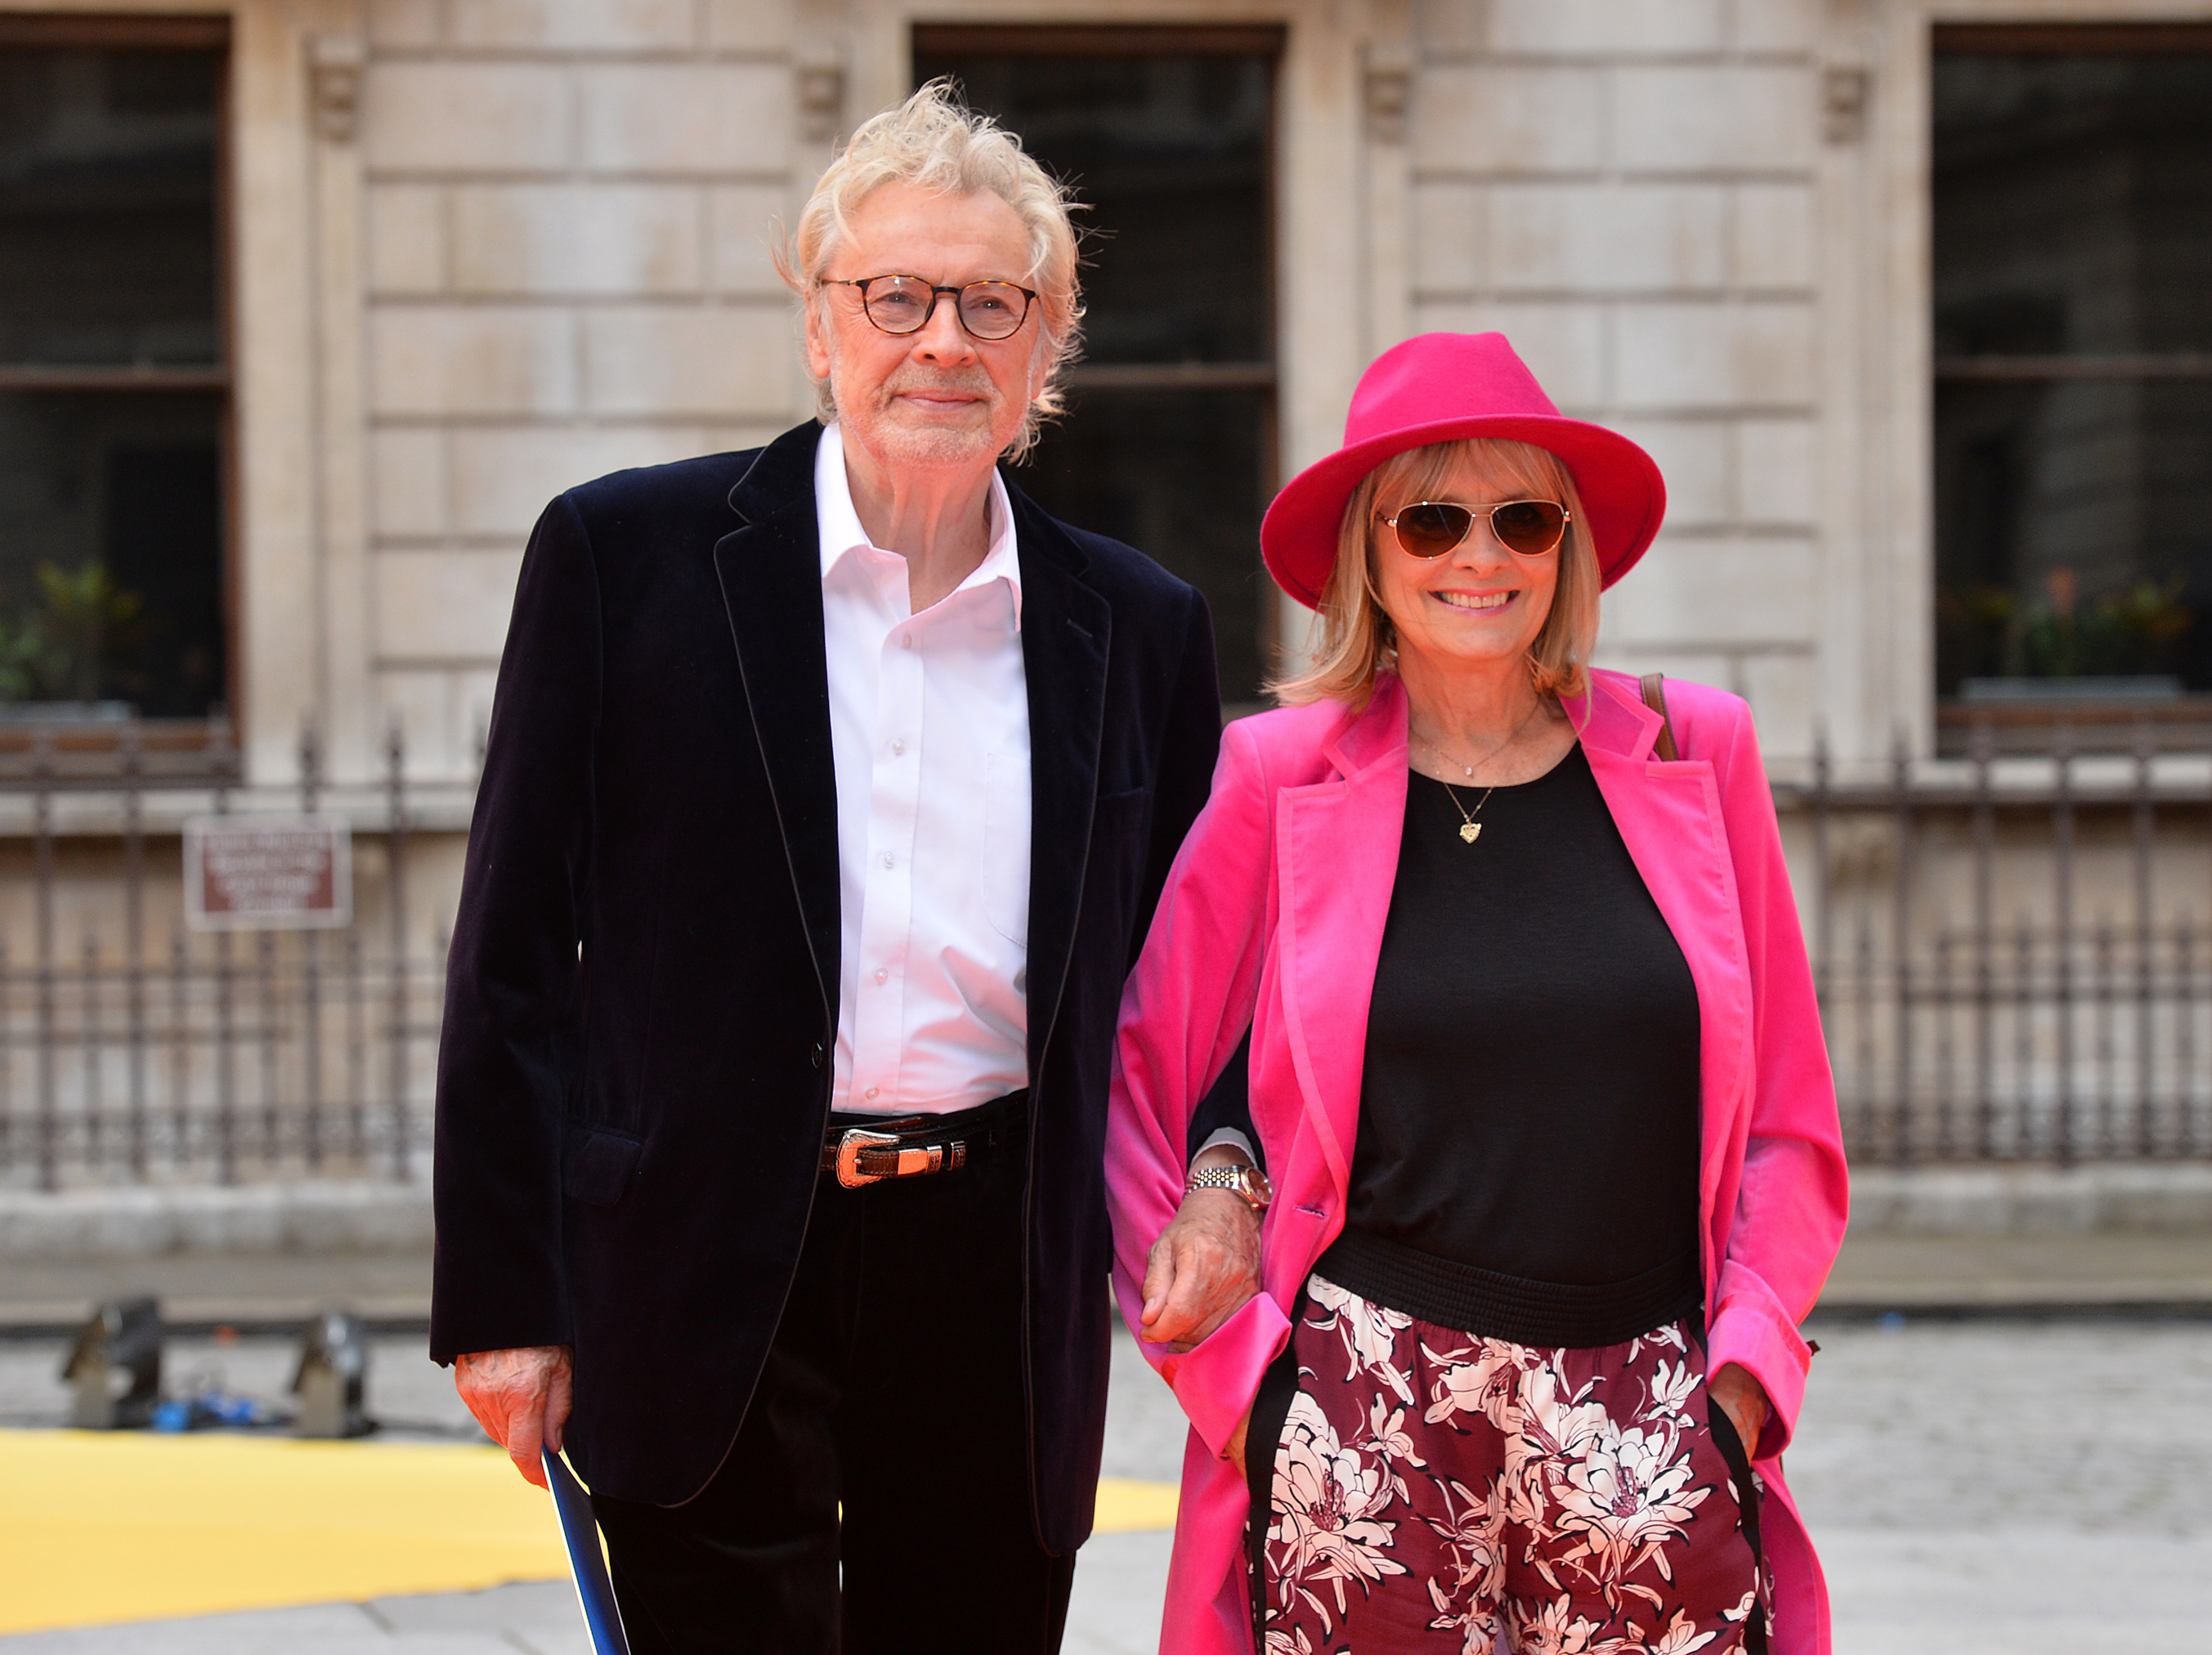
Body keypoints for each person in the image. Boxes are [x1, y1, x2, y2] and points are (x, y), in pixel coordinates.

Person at [428, 83, 1225, 1653]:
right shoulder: (623, 557)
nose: (943, 340)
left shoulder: (1138, 625)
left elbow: (1199, 975)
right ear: (820, 322)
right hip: (699, 1256)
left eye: (992, 303)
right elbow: (511, 953)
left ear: (1048, 345)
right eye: (898, 296)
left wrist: (1223, 1175)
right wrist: (504, 1301)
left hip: (994, 1279)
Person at [1108, 331, 1849, 1655]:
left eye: (1523, 517)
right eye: (1432, 517)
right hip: (1364, 1417)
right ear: (1368, 557)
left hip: (1650, 1411)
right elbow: (1148, 1093)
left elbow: (1793, 1124)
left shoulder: (1697, 750)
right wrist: (1248, 1394)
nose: (1480, 554)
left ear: (1564, 547)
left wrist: (1739, 1377)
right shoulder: (1280, 775)